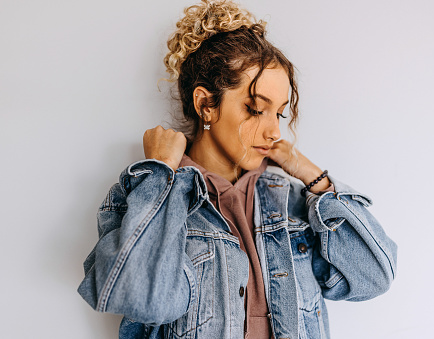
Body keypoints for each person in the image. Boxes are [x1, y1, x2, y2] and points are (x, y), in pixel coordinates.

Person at [77, 1, 398, 338]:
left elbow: (374, 277)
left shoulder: (290, 201)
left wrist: (314, 178)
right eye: (256, 109)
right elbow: (142, 298)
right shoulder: (148, 197)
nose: (274, 131)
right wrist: (159, 173)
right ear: (205, 105)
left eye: (280, 114)